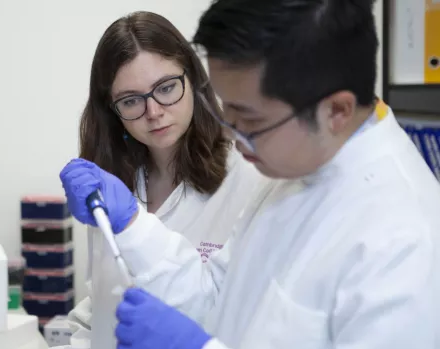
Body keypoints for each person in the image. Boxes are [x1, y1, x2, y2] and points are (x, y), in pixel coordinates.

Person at [59, 0, 440, 348]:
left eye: (251, 119)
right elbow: (217, 295)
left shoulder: (404, 239)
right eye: (228, 110)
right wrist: (132, 227)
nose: (230, 133)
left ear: (336, 111)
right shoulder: (294, 173)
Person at [59, 10, 272, 349]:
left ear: (193, 78)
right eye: (131, 101)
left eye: (166, 88)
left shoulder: (250, 177)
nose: (154, 112)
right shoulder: (116, 186)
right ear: (111, 110)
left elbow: (227, 314)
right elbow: (102, 303)